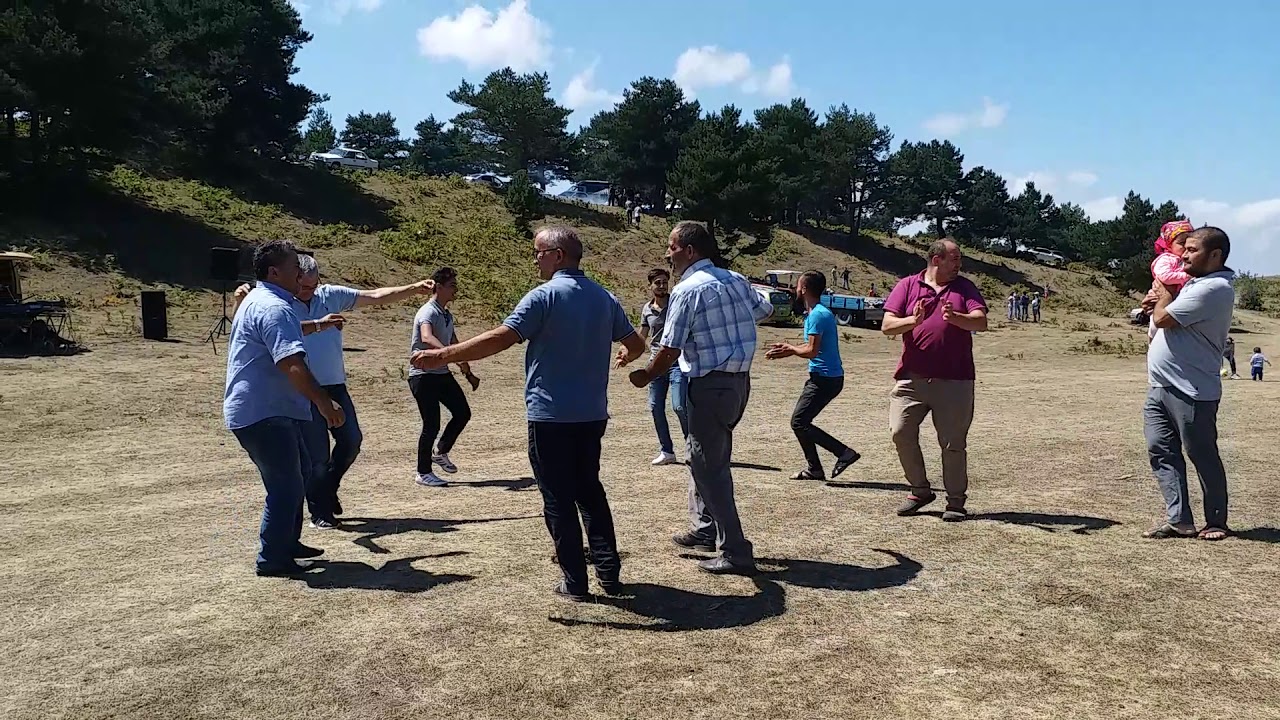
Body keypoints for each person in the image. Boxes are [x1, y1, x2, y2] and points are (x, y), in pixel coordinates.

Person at [413, 226, 646, 600]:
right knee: (590, 492)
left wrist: (441, 356)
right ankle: (609, 573)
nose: (535, 258)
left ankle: (574, 581)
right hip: (591, 414)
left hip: (551, 416)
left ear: (557, 255)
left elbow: (501, 338)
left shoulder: (544, 296)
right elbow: (636, 344)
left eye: (538, 251)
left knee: (557, 498)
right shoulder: (605, 298)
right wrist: (625, 356)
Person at [232, 259, 433, 529]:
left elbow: (373, 296)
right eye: (304, 286)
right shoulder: (277, 302)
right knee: (317, 457)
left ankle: (328, 488)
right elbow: (244, 329)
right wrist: (239, 302)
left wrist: (414, 288)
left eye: (313, 286)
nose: (308, 292)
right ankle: (319, 511)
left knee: (351, 441)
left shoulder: (329, 296)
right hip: (304, 388)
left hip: (335, 385)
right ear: (294, 279)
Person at [626, 221, 774, 575]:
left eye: (672, 247)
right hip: (738, 384)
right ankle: (707, 528)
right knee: (702, 455)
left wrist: (646, 374)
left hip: (708, 385)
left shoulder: (686, 290)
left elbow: (670, 346)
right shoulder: (736, 280)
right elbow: (765, 310)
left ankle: (736, 551)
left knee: (711, 468)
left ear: (689, 251)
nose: (667, 254)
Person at [224, 240, 345, 577]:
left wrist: (320, 324)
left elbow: (285, 332)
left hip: (270, 409)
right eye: (295, 267)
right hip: (264, 412)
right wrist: (323, 401)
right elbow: (291, 363)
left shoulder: (264, 302)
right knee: (286, 485)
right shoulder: (273, 307)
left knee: (301, 472)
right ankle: (272, 558)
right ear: (275, 271)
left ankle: (288, 544)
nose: (301, 273)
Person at [881, 239, 988, 522]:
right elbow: (887, 325)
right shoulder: (907, 285)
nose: (959, 265)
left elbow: (980, 321)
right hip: (911, 379)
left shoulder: (964, 287)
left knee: (953, 443)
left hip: (955, 381)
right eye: (955, 259)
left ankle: (955, 503)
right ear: (936, 260)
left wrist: (956, 317)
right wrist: (913, 322)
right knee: (899, 431)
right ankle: (920, 490)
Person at [1139, 226, 1235, 541]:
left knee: (1201, 453)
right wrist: (1153, 302)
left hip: (1192, 389)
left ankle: (1216, 521)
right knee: (1161, 451)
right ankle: (1179, 519)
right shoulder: (1191, 284)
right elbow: (1159, 316)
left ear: (1215, 255)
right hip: (1160, 386)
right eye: (1184, 248)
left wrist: (1162, 291)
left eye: (1192, 250)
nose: (1183, 255)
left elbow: (1166, 318)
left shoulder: (1216, 288)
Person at [765, 270, 861, 481]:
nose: (796, 289)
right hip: (826, 378)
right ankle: (815, 469)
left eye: (798, 286)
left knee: (799, 422)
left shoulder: (817, 315)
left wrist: (790, 350)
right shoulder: (817, 313)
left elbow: (811, 351)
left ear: (805, 289)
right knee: (801, 421)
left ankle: (843, 453)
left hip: (825, 379)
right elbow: (811, 346)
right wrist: (788, 347)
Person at [408, 267, 480, 487]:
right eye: (451, 286)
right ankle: (423, 472)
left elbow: (455, 345)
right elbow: (426, 336)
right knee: (431, 423)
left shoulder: (446, 314)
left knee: (462, 412)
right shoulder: (427, 312)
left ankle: (441, 451)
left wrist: (467, 371)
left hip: (441, 373)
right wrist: (447, 355)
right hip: (423, 375)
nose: (455, 290)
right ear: (438, 287)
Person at [637, 268, 688, 466]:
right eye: (657, 282)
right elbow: (642, 336)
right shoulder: (646, 309)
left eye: (664, 282)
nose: (661, 286)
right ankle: (667, 451)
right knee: (656, 407)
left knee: (679, 406)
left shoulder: (675, 304)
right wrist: (627, 352)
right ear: (650, 286)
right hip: (655, 364)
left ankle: (692, 447)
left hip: (676, 362)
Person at [1148, 220, 1194, 339]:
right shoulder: (1166, 259)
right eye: (1181, 243)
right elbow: (1164, 276)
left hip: (1175, 298)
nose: (1185, 247)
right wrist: (1185, 276)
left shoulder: (1184, 260)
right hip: (1161, 298)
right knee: (1156, 326)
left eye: (1189, 243)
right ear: (1169, 244)